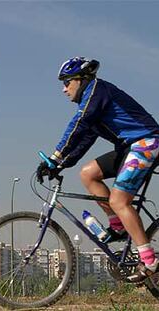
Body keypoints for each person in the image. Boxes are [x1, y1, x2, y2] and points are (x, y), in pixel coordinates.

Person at [36, 57, 159, 283]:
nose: (64, 90)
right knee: (87, 173)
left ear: (81, 80)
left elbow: (79, 123)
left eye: (66, 82)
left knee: (119, 201)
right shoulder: (92, 102)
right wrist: (61, 164)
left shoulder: (96, 91)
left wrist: (56, 155)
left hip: (146, 143)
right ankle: (118, 226)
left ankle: (149, 259)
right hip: (128, 147)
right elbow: (84, 140)